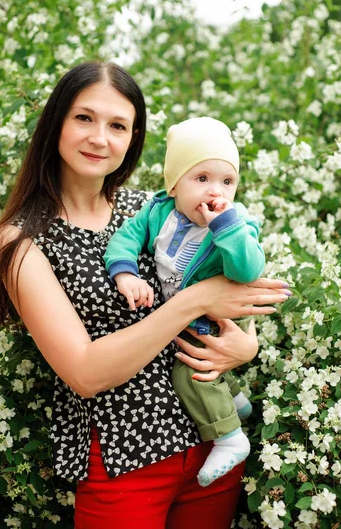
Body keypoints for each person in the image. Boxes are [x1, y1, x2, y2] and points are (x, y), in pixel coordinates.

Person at [0, 61, 290, 529]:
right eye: (84, 118)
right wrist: (196, 301)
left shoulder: (149, 206)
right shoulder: (22, 240)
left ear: (133, 137)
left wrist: (246, 345)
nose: (100, 138)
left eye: (117, 125)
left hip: (208, 445)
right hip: (124, 459)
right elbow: (84, 372)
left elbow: (224, 275)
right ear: (56, 122)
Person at [104, 116, 267, 487]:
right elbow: (125, 240)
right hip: (190, 313)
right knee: (201, 359)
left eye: (227, 181)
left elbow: (247, 270)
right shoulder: (156, 212)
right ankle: (236, 400)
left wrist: (226, 227)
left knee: (189, 373)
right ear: (174, 185)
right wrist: (126, 273)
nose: (216, 192)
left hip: (221, 314)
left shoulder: (237, 221)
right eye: (202, 178)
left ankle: (228, 438)